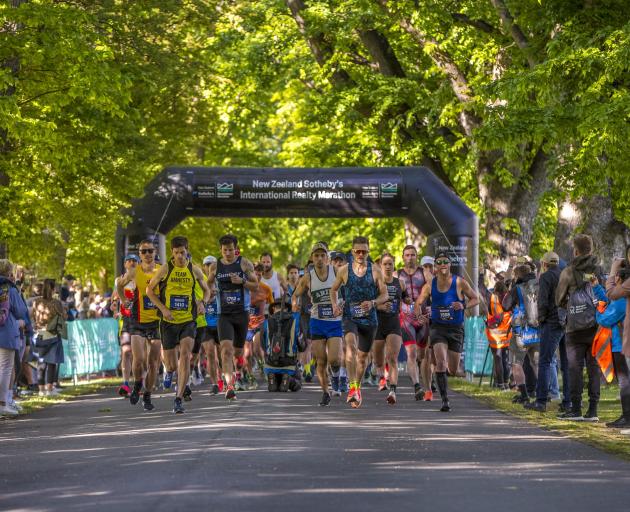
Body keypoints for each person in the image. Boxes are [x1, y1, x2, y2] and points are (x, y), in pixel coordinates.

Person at [147, 236, 210, 414]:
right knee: (172, 365)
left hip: (188, 320)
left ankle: (178, 398)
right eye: (176, 253)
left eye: (182, 253)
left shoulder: (194, 270)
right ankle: (169, 371)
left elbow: (207, 291)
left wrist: (202, 303)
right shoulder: (166, 269)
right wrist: (163, 308)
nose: (180, 256)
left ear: (187, 251)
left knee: (185, 355)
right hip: (168, 321)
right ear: (172, 253)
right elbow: (149, 290)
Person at [415, 250, 479, 412]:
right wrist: (420, 316)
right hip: (438, 328)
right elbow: (418, 303)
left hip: (456, 329)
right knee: (441, 361)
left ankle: (444, 382)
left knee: (452, 368)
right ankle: (445, 400)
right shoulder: (430, 285)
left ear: (450, 264)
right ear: (435, 266)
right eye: (439, 262)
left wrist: (462, 305)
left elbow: (476, 299)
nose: (443, 265)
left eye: (445, 262)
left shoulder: (459, 282)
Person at [330, 236, 389, 408]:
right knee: (350, 347)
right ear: (353, 251)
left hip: (370, 320)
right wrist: (335, 305)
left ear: (368, 251)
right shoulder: (344, 270)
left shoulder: (375, 270)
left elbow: (384, 294)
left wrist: (373, 303)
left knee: (362, 358)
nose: (361, 254)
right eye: (358, 251)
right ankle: (352, 388)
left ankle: (357, 387)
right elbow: (333, 290)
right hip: (350, 316)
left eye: (364, 251)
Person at [556, 234, 603, 421]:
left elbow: (558, 299)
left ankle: (575, 409)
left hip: (574, 328)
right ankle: (593, 410)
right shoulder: (599, 269)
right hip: (596, 325)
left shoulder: (568, 271)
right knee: (594, 367)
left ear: (575, 250)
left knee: (574, 368)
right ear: (590, 249)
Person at [206, 234, 258, 400]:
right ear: (221, 250)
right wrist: (212, 291)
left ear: (236, 249)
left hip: (241, 313)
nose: (228, 253)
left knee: (237, 352)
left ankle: (239, 361)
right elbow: (208, 283)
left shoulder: (244, 263)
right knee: (226, 350)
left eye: (231, 250)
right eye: (225, 250)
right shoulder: (215, 266)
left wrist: (241, 281)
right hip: (224, 314)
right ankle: (230, 386)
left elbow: (255, 285)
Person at [292, 242, 343, 406]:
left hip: (334, 322)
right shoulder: (308, 277)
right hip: (317, 321)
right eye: (316, 256)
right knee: (321, 361)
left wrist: (341, 305)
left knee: (335, 359)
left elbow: (348, 290)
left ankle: (335, 376)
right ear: (312, 258)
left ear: (327, 257)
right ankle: (325, 392)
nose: (320, 259)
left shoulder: (336, 271)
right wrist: (294, 302)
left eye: (323, 255)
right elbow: (295, 294)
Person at [116, 240, 162, 411]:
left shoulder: (161, 270)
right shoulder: (134, 272)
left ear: (155, 251)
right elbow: (119, 285)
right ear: (140, 254)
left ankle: (147, 395)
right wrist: (123, 300)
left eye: (150, 250)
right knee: (139, 360)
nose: (148, 254)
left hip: (157, 322)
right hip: (138, 321)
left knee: (153, 363)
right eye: (144, 251)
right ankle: (137, 385)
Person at [524, 252, 566, 412]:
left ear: (544, 264)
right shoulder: (564, 274)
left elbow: (542, 300)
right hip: (565, 321)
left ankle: (541, 401)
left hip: (551, 321)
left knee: (544, 361)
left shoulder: (546, 276)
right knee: (565, 364)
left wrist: (540, 319)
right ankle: (568, 401)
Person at [594, 264, 628, 427]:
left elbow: (605, 319)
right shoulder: (621, 298)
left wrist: (598, 309)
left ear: (620, 280)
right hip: (619, 343)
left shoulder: (621, 300)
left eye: (614, 279)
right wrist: (597, 288)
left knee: (624, 381)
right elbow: (609, 299)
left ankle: (627, 417)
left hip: (619, 344)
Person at [502, 264, 540, 405]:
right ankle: (543, 395)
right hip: (537, 330)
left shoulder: (517, 288)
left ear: (517, 276)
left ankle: (524, 396)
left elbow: (505, 305)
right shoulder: (538, 286)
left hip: (521, 333)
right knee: (537, 364)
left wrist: (511, 287)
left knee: (516, 364)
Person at [397, 246, 431, 400]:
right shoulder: (397, 274)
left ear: (417, 256)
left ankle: (427, 385)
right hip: (406, 318)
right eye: (407, 255)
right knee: (411, 353)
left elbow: (434, 288)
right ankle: (417, 386)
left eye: (413, 255)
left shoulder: (424, 272)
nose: (410, 257)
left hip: (422, 317)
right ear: (403, 257)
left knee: (422, 355)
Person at [372, 253, 405, 404]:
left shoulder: (400, 283)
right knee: (379, 361)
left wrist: (410, 304)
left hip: (393, 323)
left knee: (392, 358)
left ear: (393, 266)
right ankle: (380, 376)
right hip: (378, 324)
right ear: (380, 266)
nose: (387, 266)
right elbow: (369, 303)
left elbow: (405, 298)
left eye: (390, 264)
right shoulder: (375, 284)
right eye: (384, 264)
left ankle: (393, 391)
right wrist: (380, 306)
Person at [0, 260, 29, 416]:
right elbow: (21, 310)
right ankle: (3, 403)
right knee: (6, 368)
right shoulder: (9, 289)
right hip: (6, 332)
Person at [31, 279, 66, 398]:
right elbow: (63, 317)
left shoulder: (36, 302)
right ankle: (49, 388)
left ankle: (41, 390)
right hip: (52, 335)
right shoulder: (56, 303)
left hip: (39, 334)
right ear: (52, 289)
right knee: (51, 363)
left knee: (41, 362)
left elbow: (32, 316)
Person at [242, 263, 274, 390]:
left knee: (256, 348)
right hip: (245, 324)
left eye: (260, 275)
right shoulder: (244, 287)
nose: (258, 276)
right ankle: (251, 378)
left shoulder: (266, 288)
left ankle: (262, 365)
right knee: (247, 354)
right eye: (256, 274)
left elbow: (272, 306)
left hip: (260, 322)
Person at [113, 254, 139, 398]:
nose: (132, 263)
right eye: (129, 261)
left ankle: (140, 382)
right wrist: (114, 307)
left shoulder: (141, 278)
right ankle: (125, 383)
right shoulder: (119, 280)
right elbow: (114, 298)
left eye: (135, 261)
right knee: (126, 351)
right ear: (125, 265)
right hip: (126, 320)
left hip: (141, 319)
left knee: (139, 354)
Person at [485, 280, 511, 391]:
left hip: (494, 333)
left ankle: (500, 384)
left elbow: (495, 314)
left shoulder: (493, 298)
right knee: (505, 358)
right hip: (506, 333)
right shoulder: (509, 298)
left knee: (497, 358)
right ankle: (506, 383)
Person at [201, 255, 221, 394]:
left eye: (212, 264)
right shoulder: (200, 282)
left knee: (222, 355)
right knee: (210, 354)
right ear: (204, 267)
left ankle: (224, 379)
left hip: (221, 322)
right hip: (206, 323)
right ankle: (214, 383)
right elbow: (197, 300)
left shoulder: (221, 281)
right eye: (207, 264)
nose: (209, 267)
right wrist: (207, 297)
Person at [330, 251, 349, 395]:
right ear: (330, 263)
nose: (338, 264)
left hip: (346, 318)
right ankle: (335, 375)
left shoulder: (349, 279)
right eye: (335, 261)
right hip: (328, 319)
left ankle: (343, 377)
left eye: (340, 261)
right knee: (333, 355)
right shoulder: (326, 279)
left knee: (346, 348)